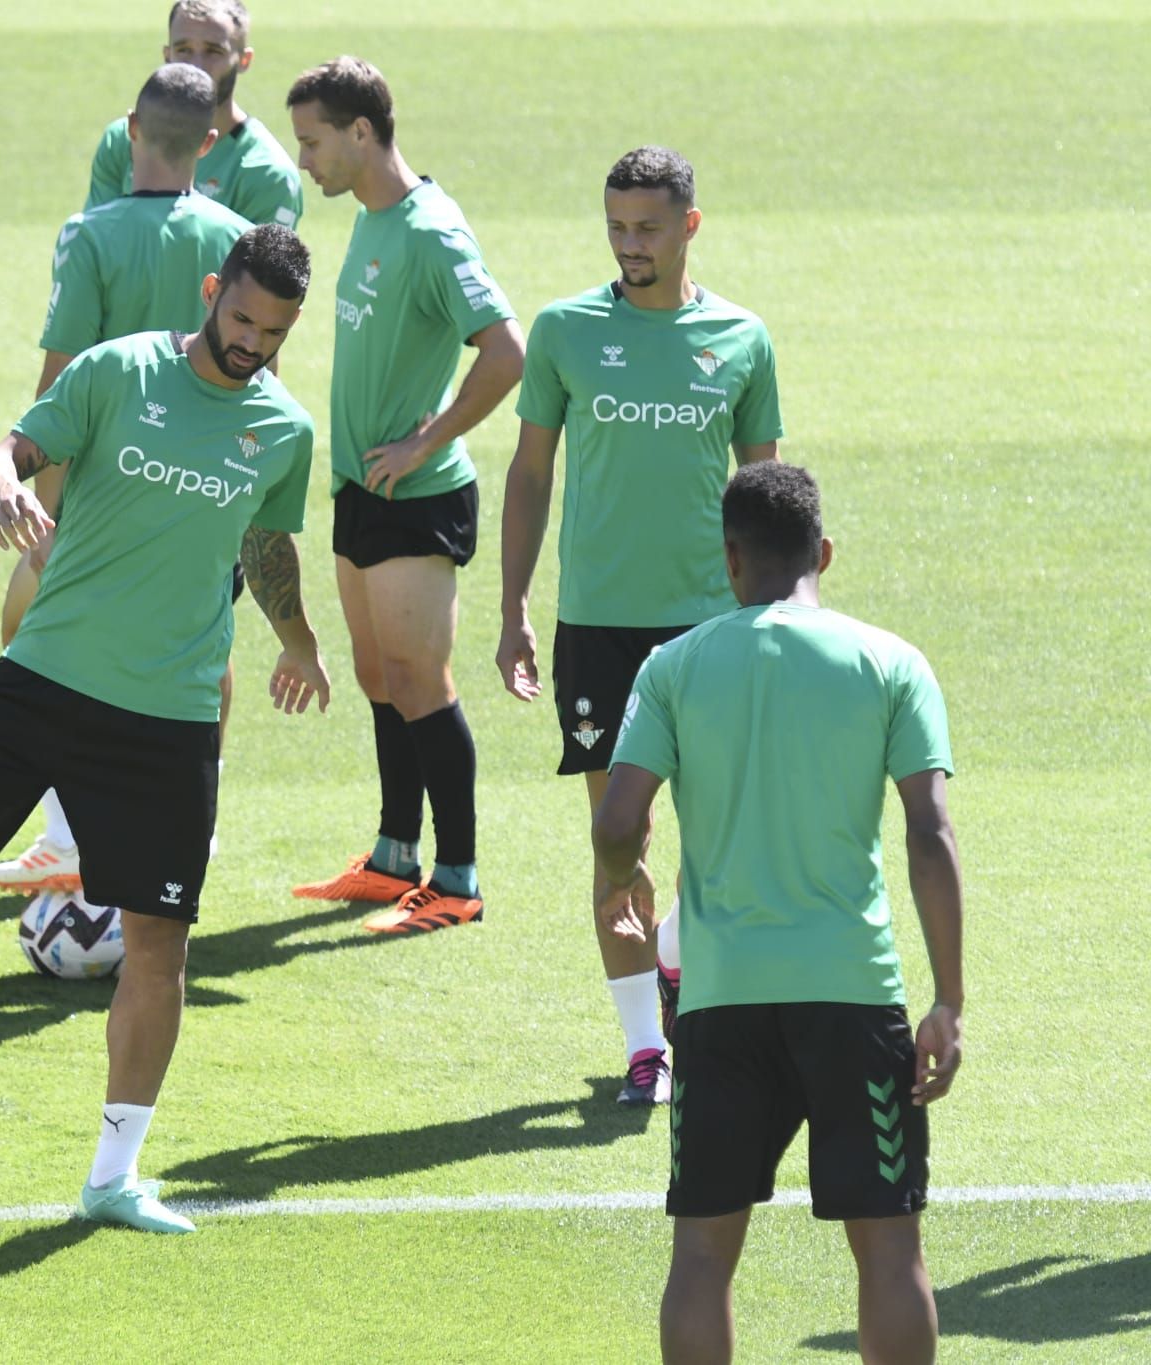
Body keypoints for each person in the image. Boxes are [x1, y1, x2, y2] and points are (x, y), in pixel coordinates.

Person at [0, 226, 328, 1234]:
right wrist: (2, 487)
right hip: (41, 683)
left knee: (157, 952)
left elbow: (265, 537)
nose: (249, 346)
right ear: (210, 290)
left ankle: (112, 1177)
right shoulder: (117, 372)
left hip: (168, 721)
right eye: (238, 320)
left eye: (271, 334)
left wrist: (297, 637)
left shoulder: (282, 429)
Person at [592, 461, 963, 1364]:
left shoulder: (673, 666)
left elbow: (616, 819)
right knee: (888, 1248)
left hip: (722, 1003)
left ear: (730, 560)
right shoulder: (892, 662)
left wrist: (625, 877)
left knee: (703, 1256)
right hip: (853, 994)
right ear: (823, 550)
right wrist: (949, 999)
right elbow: (930, 835)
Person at [495, 146, 783, 1104]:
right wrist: (514, 608)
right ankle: (644, 1049)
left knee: (715, 843)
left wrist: (777, 619)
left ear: (689, 226)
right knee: (616, 841)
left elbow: (765, 495)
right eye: (616, 227)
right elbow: (531, 473)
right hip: (599, 629)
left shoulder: (743, 339)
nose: (630, 246)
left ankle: (679, 963)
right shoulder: (565, 331)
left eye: (648, 228)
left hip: (711, 629)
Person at [0, 62, 252, 896]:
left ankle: (70, 831)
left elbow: (62, 384)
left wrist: (40, 497)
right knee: (202, 642)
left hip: (107, 485)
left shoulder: (91, 233)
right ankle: (189, 822)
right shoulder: (237, 237)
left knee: (37, 638)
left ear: (130, 131)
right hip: (207, 484)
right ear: (209, 143)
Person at [282, 57, 525, 933]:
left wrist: (428, 438)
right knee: (379, 673)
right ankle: (395, 856)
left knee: (421, 680)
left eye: (313, 142)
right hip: (361, 486)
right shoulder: (376, 218)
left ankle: (456, 881)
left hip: (416, 495)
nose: (304, 162)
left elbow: (507, 351)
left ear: (360, 132)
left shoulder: (431, 230)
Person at [84, 1, 301, 230]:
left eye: (213, 51)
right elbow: (96, 239)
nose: (196, 66)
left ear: (244, 61)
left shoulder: (268, 173)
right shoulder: (124, 140)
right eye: (184, 50)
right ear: (167, 55)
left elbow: (260, 266)